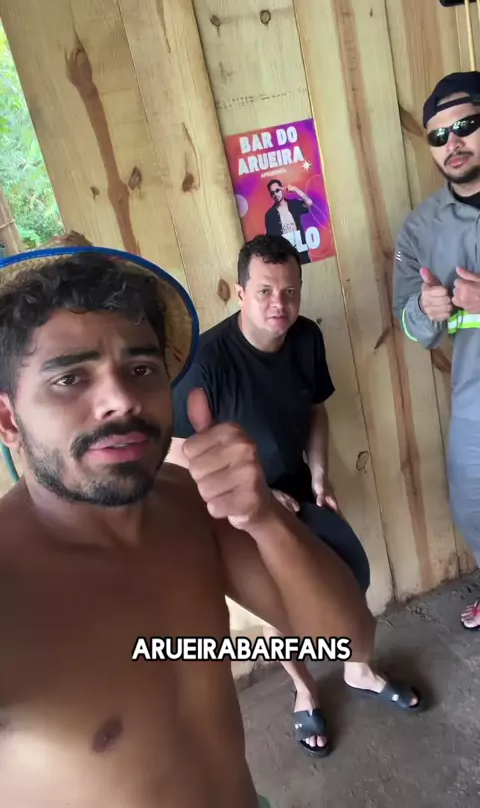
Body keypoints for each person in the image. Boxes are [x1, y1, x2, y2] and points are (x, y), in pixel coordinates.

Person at [0, 235, 384, 807]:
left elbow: (349, 643)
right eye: (70, 379)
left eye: (141, 368)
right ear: (8, 420)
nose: (121, 400)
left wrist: (263, 517)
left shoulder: (187, 505)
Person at [168, 234, 422, 759]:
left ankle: (358, 670)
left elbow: (316, 411)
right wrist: (258, 496)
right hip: (241, 514)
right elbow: (176, 454)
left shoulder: (306, 338)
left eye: (289, 291)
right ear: (241, 292)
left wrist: (321, 475)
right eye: (264, 291)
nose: (278, 304)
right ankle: (304, 691)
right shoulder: (206, 362)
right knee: (283, 610)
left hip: (301, 490)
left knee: (347, 577)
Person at [393, 70, 480, 631]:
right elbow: (407, 321)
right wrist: (425, 310)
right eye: (439, 135)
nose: (453, 143)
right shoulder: (420, 229)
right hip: (475, 400)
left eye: (466, 126)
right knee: (473, 504)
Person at [264, 179, 312, 263]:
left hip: (300, 249)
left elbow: (309, 202)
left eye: (277, 190)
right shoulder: (270, 215)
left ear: (282, 189)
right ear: (271, 195)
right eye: (272, 193)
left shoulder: (293, 204)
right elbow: (271, 238)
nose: (276, 194)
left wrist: (295, 189)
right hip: (285, 254)